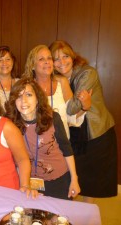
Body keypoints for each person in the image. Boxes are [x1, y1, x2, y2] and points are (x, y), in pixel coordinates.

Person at [49, 40, 117, 202]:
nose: (62, 62)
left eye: (65, 56)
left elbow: (72, 108)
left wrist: (64, 85)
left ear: (73, 57)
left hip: (96, 133)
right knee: (72, 177)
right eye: (56, 59)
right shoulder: (54, 78)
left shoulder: (87, 73)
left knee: (91, 185)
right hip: (74, 133)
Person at [5, 78, 80, 200]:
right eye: (18, 96)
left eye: (29, 95)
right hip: (26, 181)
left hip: (58, 179)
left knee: (57, 218)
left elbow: (66, 149)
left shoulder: (52, 118)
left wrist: (74, 179)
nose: (23, 100)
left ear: (37, 98)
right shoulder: (9, 123)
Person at [23, 45, 88, 139]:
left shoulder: (62, 82)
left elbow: (70, 116)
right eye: (41, 59)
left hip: (61, 142)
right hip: (36, 142)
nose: (47, 62)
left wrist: (85, 108)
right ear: (32, 65)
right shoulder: (26, 87)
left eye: (49, 58)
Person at [0, 46, 20, 110]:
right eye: (0, 60)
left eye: (8, 59)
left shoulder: (20, 83)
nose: (4, 63)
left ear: (12, 62)